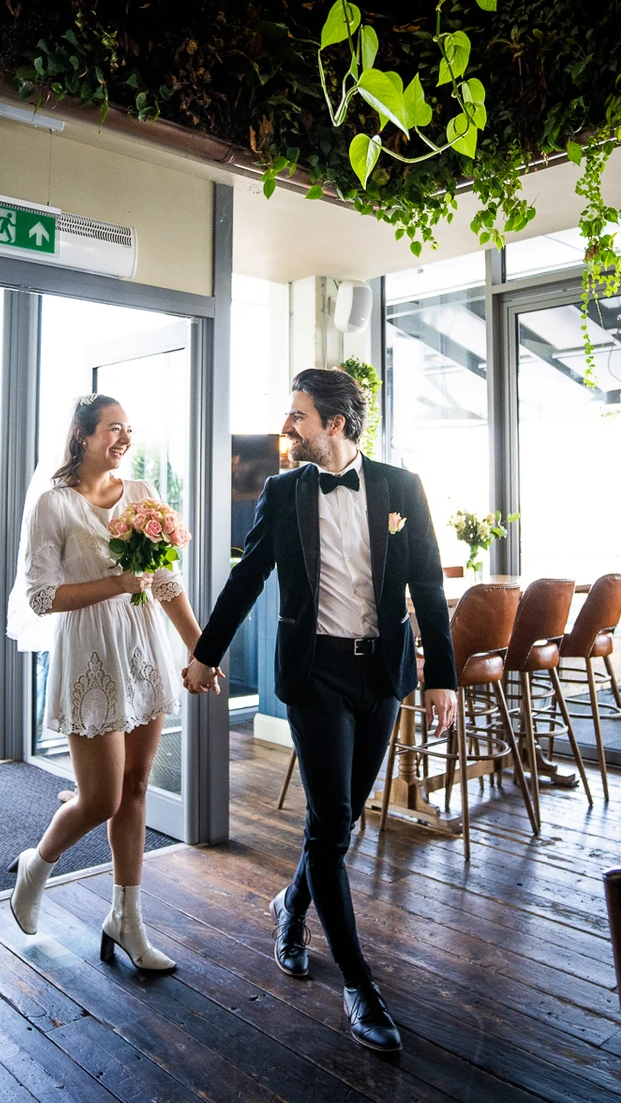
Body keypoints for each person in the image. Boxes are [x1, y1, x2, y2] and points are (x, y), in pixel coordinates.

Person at [185, 368, 457, 1052]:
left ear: (334, 423)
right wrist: (205, 653)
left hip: (382, 675)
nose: (288, 427)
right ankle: (360, 986)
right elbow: (247, 576)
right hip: (314, 675)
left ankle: (291, 906)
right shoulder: (283, 491)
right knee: (332, 820)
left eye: (298, 415)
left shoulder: (401, 487)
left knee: (338, 824)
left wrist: (442, 679)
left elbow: (426, 584)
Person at [5, 393, 206, 973]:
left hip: (142, 648)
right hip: (90, 652)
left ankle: (127, 920)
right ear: (82, 436)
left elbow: (164, 579)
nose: (123, 438)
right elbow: (42, 597)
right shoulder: (54, 505)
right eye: (113, 429)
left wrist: (199, 648)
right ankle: (36, 864)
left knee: (137, 785)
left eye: (128, 429)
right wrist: (118, 585)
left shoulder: (142, 495)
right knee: (101, 798)